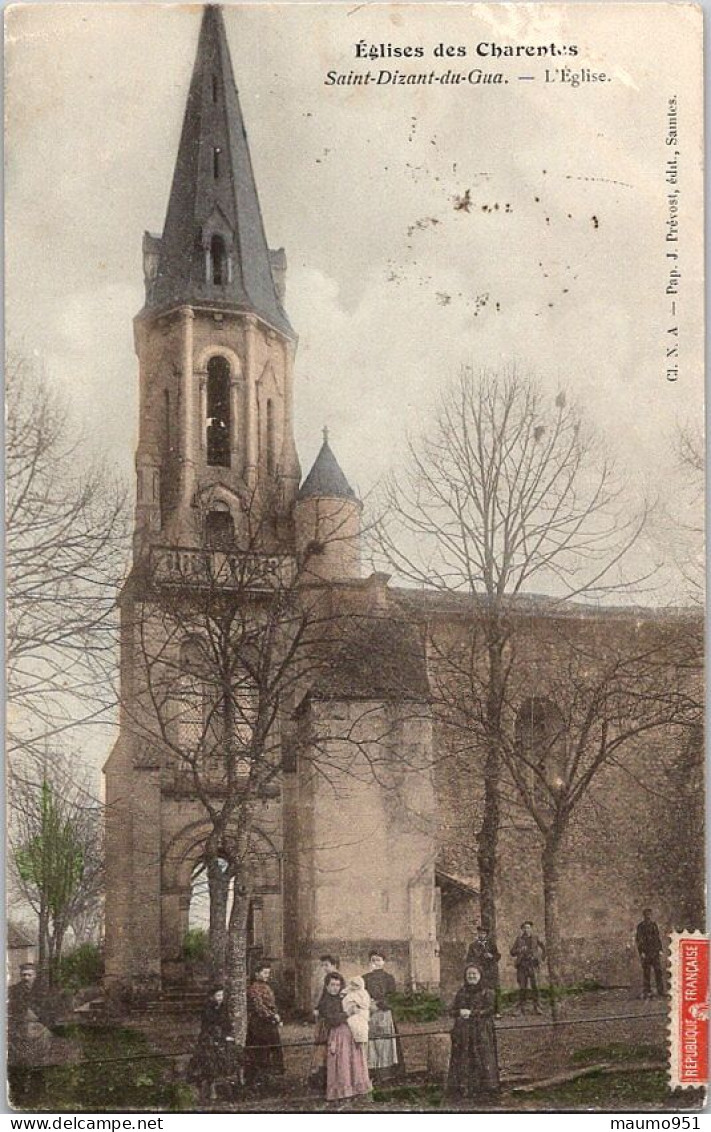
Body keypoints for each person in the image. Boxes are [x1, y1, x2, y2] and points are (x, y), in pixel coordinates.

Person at [446, 964, 500, 1100]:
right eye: (469, 974)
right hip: (463, 1032)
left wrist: (473, 1013)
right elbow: (452, 1010)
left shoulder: (488, 992)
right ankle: (464, 1087)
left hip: (482, 1031)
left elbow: (491, 1009)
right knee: (464, 1057)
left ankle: (486, 1088)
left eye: (474, 974)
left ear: (480, 976)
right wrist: (459, 1012)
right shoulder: (461, 992)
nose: (471, 977)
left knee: (483, 1057)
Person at [318, 971, 372, 1101]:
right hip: (337, 1034)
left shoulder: (342, 997)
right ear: (326, 986)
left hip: (350, 1033)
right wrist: (347, 1013)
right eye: (332, 985)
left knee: (353, 1060)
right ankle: (342, 1090)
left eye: (337, 985)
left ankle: (355, 1087)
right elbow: (332, 1020)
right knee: (342, 1063)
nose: (335, 988)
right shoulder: (325, 1002)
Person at [187, 987, 237, 1103]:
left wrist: (228, 1034)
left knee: (231, 1054)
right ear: (212, 997)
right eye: (218, 996)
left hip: (223, 1037)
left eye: (222, 996)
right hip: (209, 1037)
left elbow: (227, 1022)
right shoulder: (207, 1008)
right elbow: (210, 1025)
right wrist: (219, 1036)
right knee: (211, 1059)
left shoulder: (223, 1007)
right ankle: (212, 1088)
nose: (220, 998)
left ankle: (230, 1085)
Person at [362, 950, 402, 1081]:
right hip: (370, 1014)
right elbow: (362, 995)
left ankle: (386, 1073)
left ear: (383, 962)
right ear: (370, 962)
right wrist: (368, 1005)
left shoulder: (389, 978)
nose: (376, 963)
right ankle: (371, 1072)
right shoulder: (365, 978)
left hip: (384, 1013)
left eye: (378, 960)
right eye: (373, 960)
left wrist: (379, 1004)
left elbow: (392, 997)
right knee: (371, 1044)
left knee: (385, 1043)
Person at [244, 964, 285, 1091]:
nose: (267, 976)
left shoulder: (266, 987)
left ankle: (269, 1079)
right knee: (260, 1051)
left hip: (269, 1023)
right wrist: (272, 1016)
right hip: (259, 1024)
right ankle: (257, 1081)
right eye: (264, 973)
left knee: (273, 1049)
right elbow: (259, 1007)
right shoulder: (253, 988)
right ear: (257, 974)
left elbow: (272, 1004)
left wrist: (276, 1015)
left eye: (268, 973)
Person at [308, 955, 341, 1092]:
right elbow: (323, 999)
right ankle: (320, 1077)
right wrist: (317, 1008)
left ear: (334, 965)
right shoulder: (326, 981)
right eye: (323, 965)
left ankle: (329, 1077)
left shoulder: (337, 981)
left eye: (326, 965)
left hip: (331, 1021)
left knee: (328, 1048)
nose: (324, 968)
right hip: (323, 1020)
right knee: (321, 1049)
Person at [510, 921, 546, 1014]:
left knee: (535, 987)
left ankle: (537, 1007)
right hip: (522, 965)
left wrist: (541, 958)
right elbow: (512, 952)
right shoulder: (519, 939)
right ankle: (520, 1008)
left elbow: (543, 947)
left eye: (528, 927)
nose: (527, 929)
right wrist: (519, 950)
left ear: (531, 928)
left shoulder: (535, 938)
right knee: (522, 987)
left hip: (533, 964)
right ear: (522, 929)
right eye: (525, 928)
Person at [635, 908, 665, 999]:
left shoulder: (654, 925)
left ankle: (660, 991)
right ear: (644, 916)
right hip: (646, 952)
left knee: (658, 971)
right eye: (646, 914)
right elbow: (639, 940)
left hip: (655, 952)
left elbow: (657, 937)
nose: (648, 916)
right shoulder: (641, 926)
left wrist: (660, 949)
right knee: (647, 972)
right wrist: (642, 952)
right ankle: (647, 991)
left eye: (650, 914)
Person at [342, 976, 371, 1046]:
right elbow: (346, 1000)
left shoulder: (364, 993)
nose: (354, 987)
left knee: (361, 1025)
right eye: (353, 984)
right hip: (351, 1012)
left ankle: (360, 1038)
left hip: (361, 1013)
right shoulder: (350, 992)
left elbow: (366, 1004)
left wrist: (358, 1003)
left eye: (356, 985)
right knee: (353, 1022)